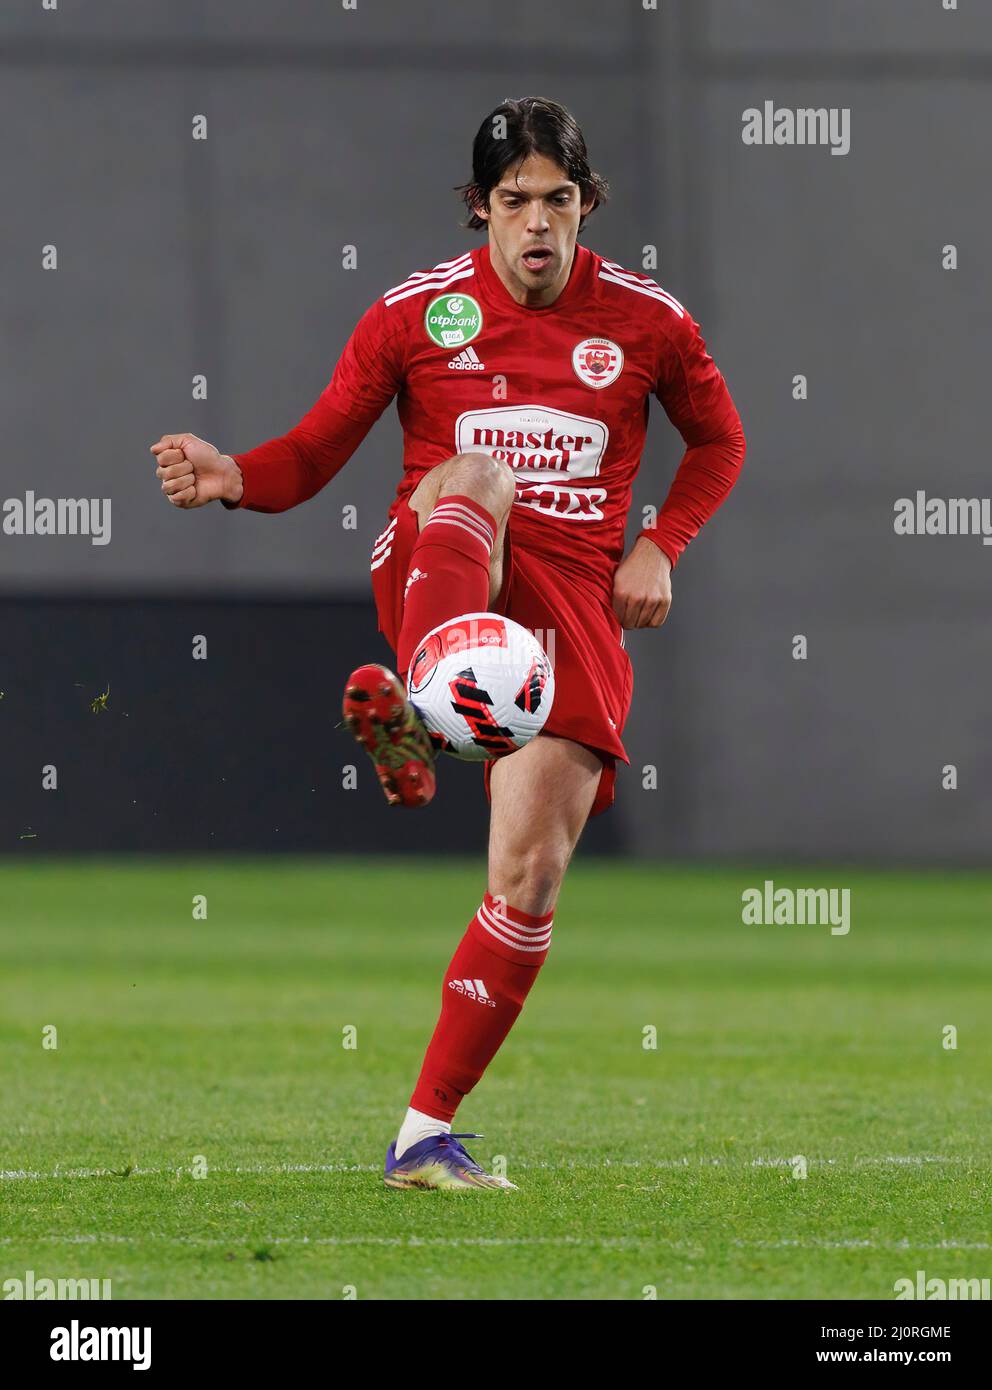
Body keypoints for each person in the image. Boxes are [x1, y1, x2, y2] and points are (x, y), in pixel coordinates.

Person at [150, 96, 746, 1191]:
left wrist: (659, 543)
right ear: (479, 208)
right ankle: (426, 704)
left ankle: (423, 1134)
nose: (535, 225)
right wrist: (239, 477)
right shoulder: (415, 314)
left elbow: (719, 440)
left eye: (556, 201)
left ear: (585, 204)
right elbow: (317, 449)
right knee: (475, 473)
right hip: (442, 556)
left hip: (570, 596)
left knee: (528, 876)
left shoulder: (647, 320)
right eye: (512, 201)